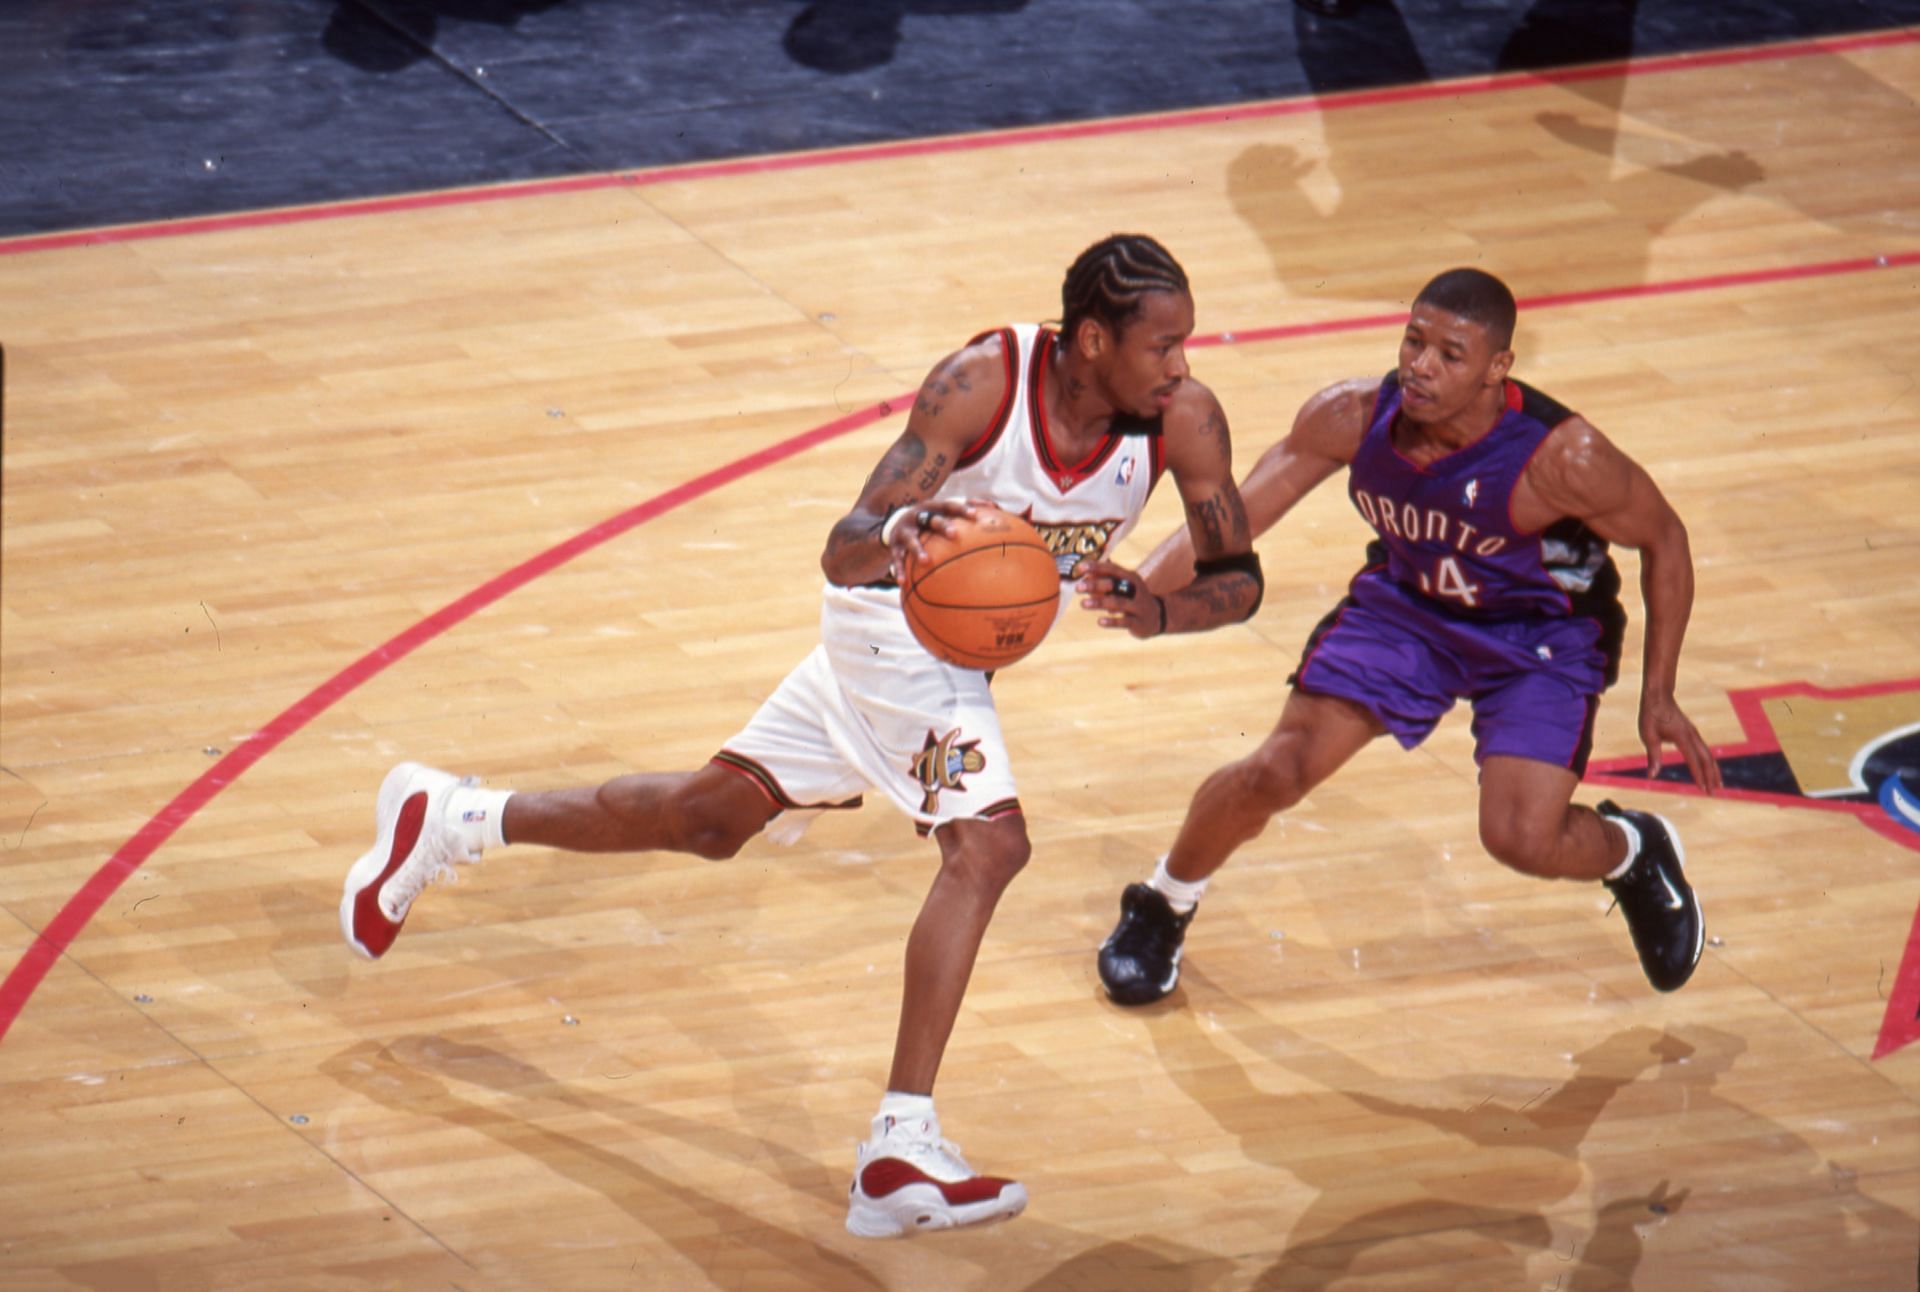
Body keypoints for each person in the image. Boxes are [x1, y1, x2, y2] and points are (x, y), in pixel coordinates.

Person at [340, 234, 1263, 1238]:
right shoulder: (983, 382)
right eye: (1162, 344)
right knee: (991, 844)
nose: (1181, 362)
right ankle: (900, 1148)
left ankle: (454, 816)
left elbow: (1239, 579)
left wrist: (1163, 610)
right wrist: (900, 536)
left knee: (709, 817)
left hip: (941, 658)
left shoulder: (1185, 419)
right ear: (1092, 340)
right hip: (886, 622)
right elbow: (842, 547)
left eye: (1185, 342)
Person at [1096, 266, 1722, 1007]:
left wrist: (1660, 692)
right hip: (1409, 610)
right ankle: (1163, 902)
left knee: (1521, 838)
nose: (1419, 366)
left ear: (1498, 369)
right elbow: (1235, 518)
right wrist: (1139, 587)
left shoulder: (1563, 459)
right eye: (1413, 341)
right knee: (1277, 769)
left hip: (1539, 638)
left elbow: (1667, 540)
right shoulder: (1352, 416)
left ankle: (1634, 852)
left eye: (1450, 355)